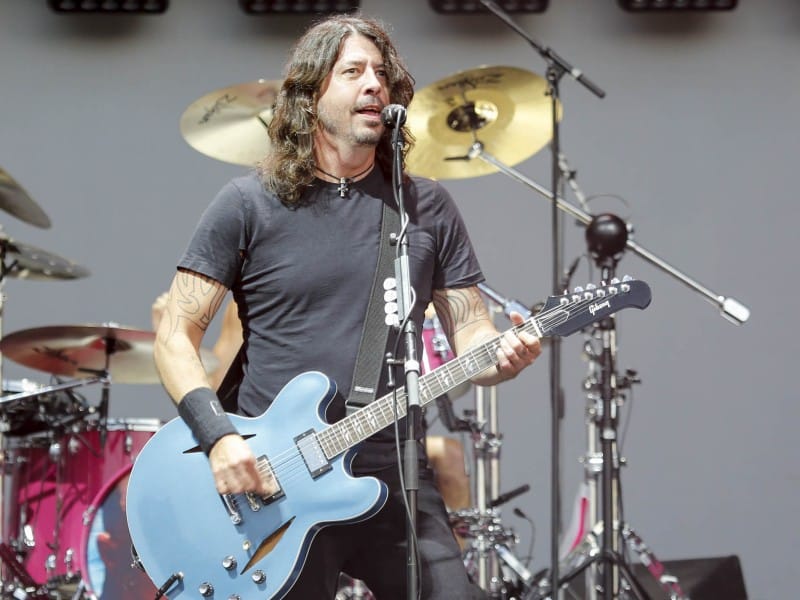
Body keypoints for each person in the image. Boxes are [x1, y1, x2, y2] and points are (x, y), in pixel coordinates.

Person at [152, 14, 541, 600]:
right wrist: (219, 438)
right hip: (273, 478)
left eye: (382, 73)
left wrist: (501, 356)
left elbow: (473, 333)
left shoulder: (424, 206)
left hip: (393, 468)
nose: (373, 85)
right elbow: (175, 336)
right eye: (352, 71)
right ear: (310, 97)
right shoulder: (247, 204)